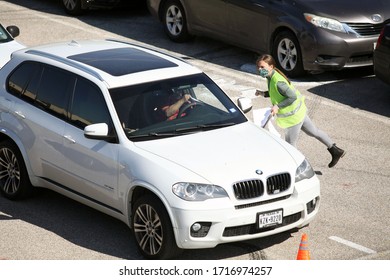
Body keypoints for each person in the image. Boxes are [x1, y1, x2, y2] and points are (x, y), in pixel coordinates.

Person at [255, 54, 345, 168]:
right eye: (258, 67)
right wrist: (262, 93)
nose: (259, 69)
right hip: (299, 112)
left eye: (262, 67)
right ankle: (335, 150)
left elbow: (292, 97)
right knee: (314, 132)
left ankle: (301, 169)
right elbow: (275, 92)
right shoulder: (271, 77)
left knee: (290, 145)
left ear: (271, 66)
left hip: (293, 118)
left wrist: (278, 107)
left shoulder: (277, 81)